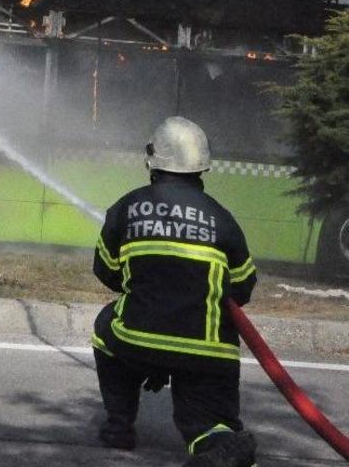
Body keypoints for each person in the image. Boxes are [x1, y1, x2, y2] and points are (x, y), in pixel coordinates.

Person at [92, 116, 259, 467]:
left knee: (105, 328)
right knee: (207, 422)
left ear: (153, 161)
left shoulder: (127, 207)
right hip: (208, 350)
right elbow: (242, 288)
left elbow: (106, 270)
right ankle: (217, 443)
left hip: (137, 338)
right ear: (201, 168)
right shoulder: (222, 219)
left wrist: (150, 294)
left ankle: (119, 428)